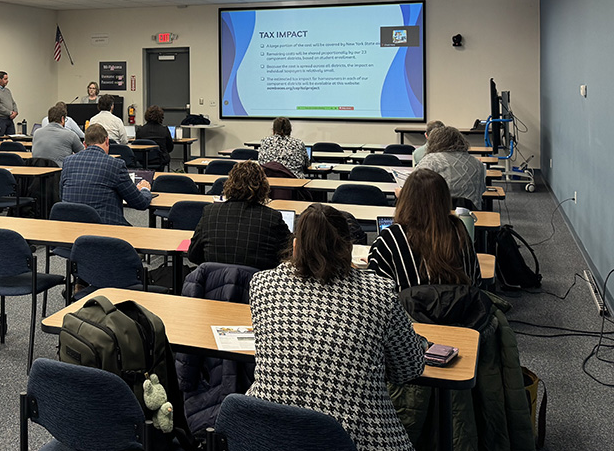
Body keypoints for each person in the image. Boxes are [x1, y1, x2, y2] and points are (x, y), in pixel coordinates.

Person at [246, 203, 427, 451]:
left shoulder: (263, 285)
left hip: (273, 436)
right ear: (348, 248)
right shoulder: (379, 293)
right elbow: (408, 369)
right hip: (359, 439)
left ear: (296, 246)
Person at [368, 168, 480, 292]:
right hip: (460, 303)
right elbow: (475, 280)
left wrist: (375, 258)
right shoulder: (458, 230)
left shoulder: (390, 238)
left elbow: (377, 292)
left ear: (405, 199)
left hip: (406, 304)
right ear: (445, 200)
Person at [188, 161, 289, 270]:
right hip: (256, 280)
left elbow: (193, 255)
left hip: (214, 279)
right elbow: (289, 254)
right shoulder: (273, 218)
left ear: (229, 184)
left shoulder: (210, 212)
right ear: (264, 187)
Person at [60, 125, 151, 226]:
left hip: (71, 226)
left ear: (84, 144)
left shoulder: (68, 162)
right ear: (107, 141)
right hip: (105, 228)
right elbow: (140, 203)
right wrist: (145, 190)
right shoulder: (115, 164)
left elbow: (61, 194)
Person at [415, 126, 487, 209]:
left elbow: (415, 186)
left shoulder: (431, 160)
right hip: (472, 214)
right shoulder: (478, 164)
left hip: (438, 213)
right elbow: (482, 190)